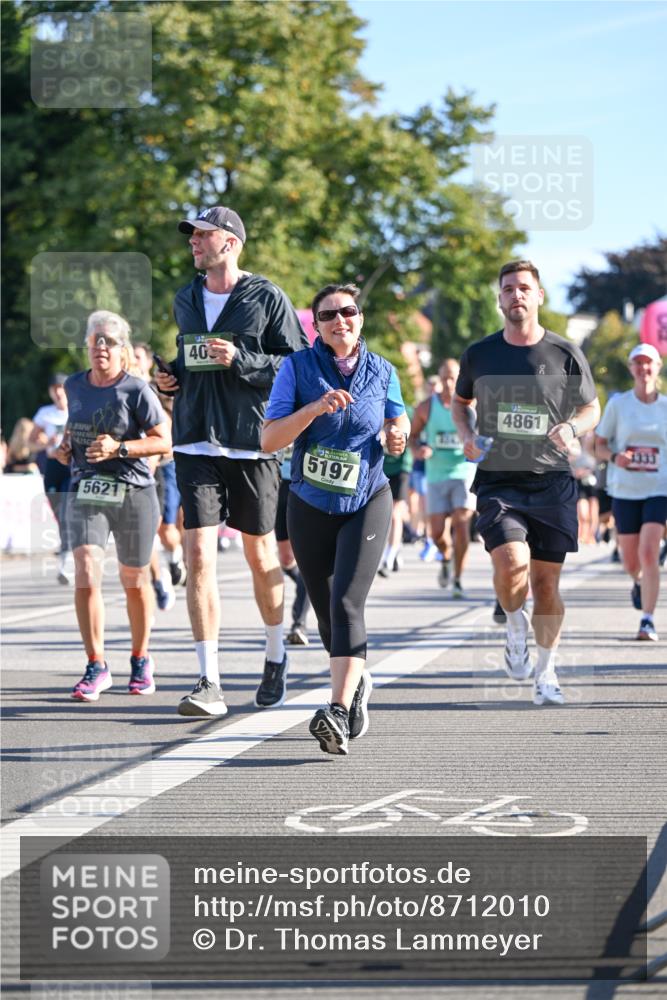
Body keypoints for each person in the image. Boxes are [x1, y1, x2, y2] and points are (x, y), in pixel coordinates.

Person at [154, 205, 309, 718]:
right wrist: (170, 376)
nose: (194, 242)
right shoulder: (185, 297)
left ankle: (274, 654)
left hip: (251, 444)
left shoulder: (266, 296)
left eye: (203, 234)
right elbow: (191, 358)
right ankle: (208, 680)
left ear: (232, 242)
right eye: (192, 236)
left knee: (261, 558)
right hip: (195, 440)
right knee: (198, 555)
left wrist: (240, 359)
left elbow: (298, 364)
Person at [262, 283, 410, 755]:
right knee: (327, 611)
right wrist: (312, 408)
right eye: (328, 316)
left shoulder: (383, 370)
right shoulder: (297, 368)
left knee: (347, 602)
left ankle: (337, 711)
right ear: (316, 326)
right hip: (308, 501)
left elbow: (398, 418)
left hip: (368, 497)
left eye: (347, 311)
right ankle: (357, 682)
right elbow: (269, 440)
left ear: (360, 318)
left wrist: (397, 433)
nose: (339, 321)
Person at [452, 260, 600, 706]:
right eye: (508, 289)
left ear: (538, 297)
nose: (516, 295)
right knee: (512, 563)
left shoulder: (565, 353)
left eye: (524, 288)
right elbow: (461, 403)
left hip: (552, 480)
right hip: (499, 480)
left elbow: (591, 409)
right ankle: (515, 622)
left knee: (548, 583)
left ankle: (546, 672)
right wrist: (465, 435)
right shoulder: (480, 353)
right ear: (499, 299)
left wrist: (572, 429)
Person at [53, 311, 171, 701]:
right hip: (87, 489)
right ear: (86, 345)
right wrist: (66, 446)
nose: (101, 347)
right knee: (86, 570)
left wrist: (120, 448)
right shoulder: (74, 385)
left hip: (134, 491)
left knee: (134, 582)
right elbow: (76, 425)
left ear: (123, 349)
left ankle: (140, 658)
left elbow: (163, 441)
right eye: (95, 340)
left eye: (109, 341)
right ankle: (96, 664)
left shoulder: (136, 390)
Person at [595, 343, 667, 641]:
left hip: (659, 488)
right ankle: (637, 581)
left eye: (648, 363)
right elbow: (598, 445)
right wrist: (615, 457)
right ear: (631, 369)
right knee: (631, 561)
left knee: (649, 552)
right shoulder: (619, 405)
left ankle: (647, 620)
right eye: (637, 363)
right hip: (624, 489)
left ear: (657, 367)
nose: (643, 368)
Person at [410, 358, 476, 598]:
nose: (449, 383)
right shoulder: (426, 407)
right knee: (437, 533)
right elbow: (413, 436)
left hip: (463, 472)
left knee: (461, 522)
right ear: (439, 380)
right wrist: (418, 450)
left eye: (454, 377)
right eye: (445, 377)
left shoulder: (472, 406)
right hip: (436, 474)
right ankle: (446, 558)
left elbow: (485, 434)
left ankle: (458, 579)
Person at [275, 446, 311, 644]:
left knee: (306, 559)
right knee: (287, 559)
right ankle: (312, 584)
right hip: (279, 478)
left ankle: (299, 623)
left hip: (308, 479)